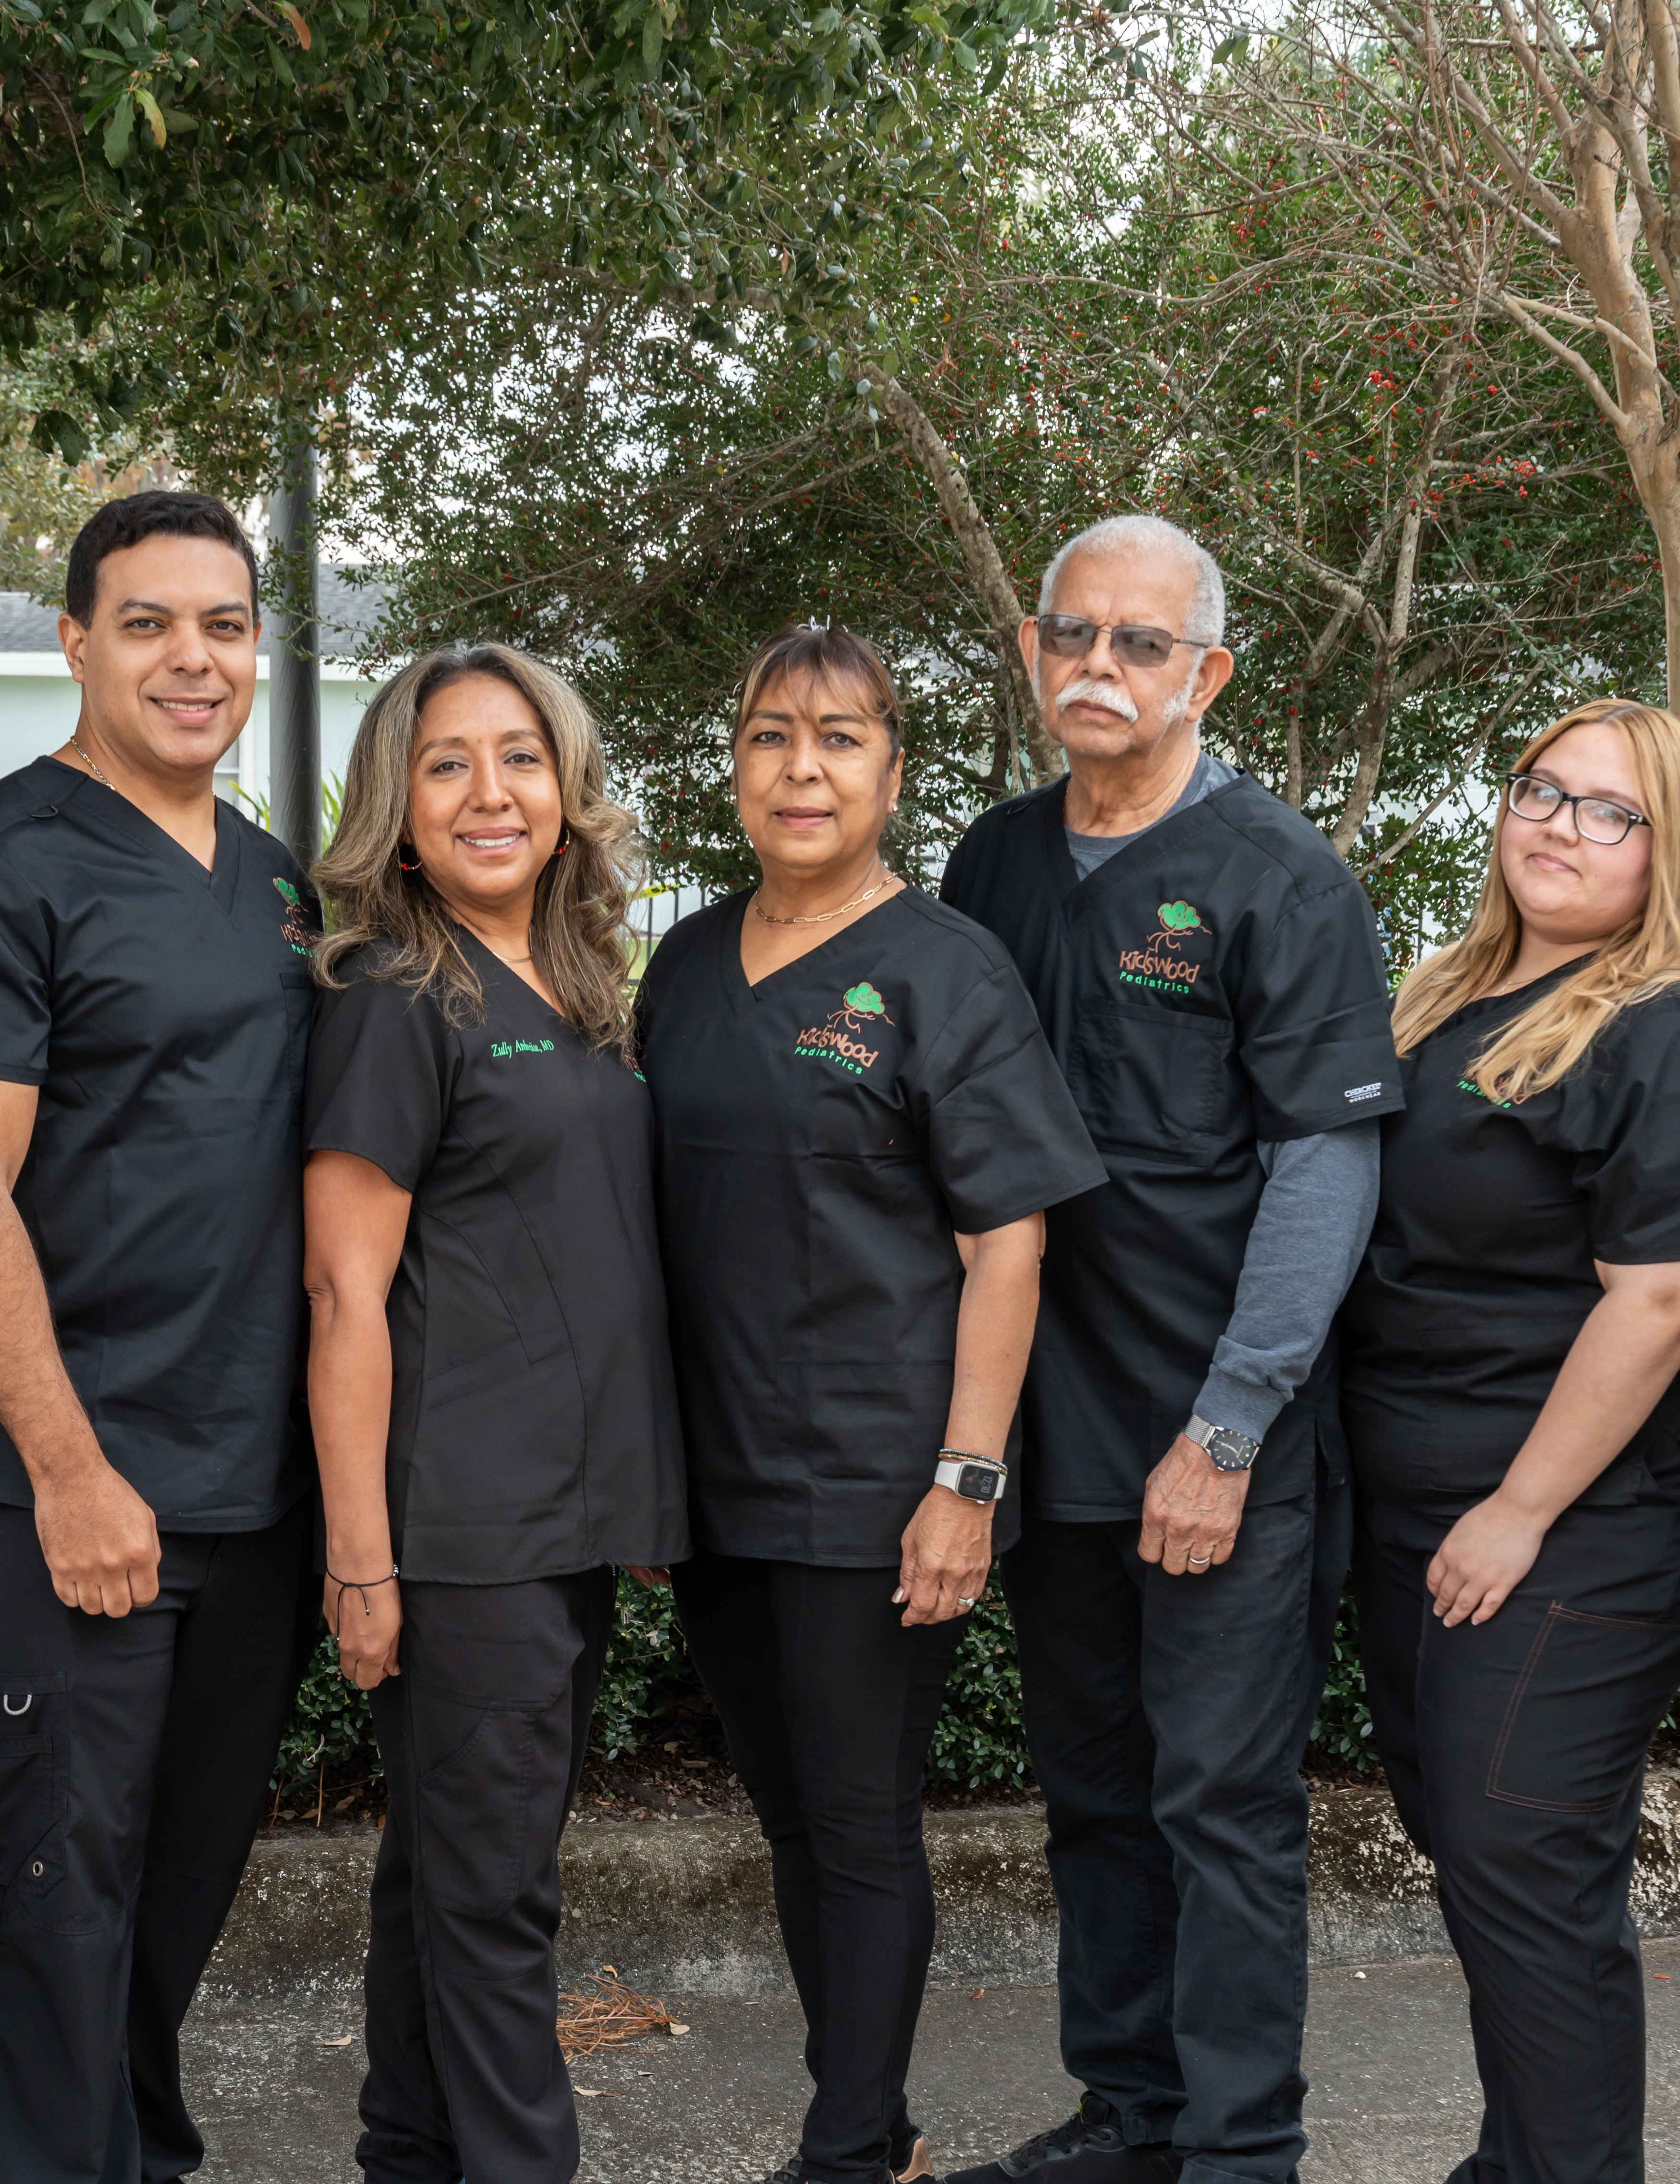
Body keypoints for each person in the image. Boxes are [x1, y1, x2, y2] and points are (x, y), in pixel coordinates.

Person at [937, 514, 1402, 2184]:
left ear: (1208, 673)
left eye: (1142, 645)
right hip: (1047, 1438)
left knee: (1220, 1810)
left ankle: (1239, 2148)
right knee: (1096, 1798)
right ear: (1031, 651)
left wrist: (1225, 1432)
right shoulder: (988, 866)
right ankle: (1129, 2114)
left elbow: (1321, 1169)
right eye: (1074, 634)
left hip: (1212, 1436)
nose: (1101, 669)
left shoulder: (1282, 881)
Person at [0, 491, 324, 2184]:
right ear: (74, 641)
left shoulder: (273, 877)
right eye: (147, 622)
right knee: (64, 1888)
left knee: (184, 1876)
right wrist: (68, 1471)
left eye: (222, 624)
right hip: (66, 1483)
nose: (190, 658)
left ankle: (141, 2150)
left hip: (250, 1485)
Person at [636, 626, 1105, 2184]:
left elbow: (1008, 1244)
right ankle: (874, 2128)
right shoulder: (687, 962)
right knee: (785, 1816)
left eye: (839, 739)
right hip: (716, 1476)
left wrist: (965, 1479)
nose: (801, 768)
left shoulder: (943, 967)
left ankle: (847, 2149)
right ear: (736, 763)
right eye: (772, 735)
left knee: (854, 1817)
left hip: (876, 1477)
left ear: (891, 774)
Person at [1336, 699, 1680, 2184]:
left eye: (1608, 810)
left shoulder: (1678, 1034)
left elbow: (1661, 1300)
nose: (1557, 825)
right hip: (1417, 1507)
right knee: (1476, 1851)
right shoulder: (1445, 996)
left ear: (1673, 850)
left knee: (1524, 1860)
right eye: (1540, 789)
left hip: (1577, 1525)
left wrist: (1518, 1506)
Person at [299, 644, 686, 2184]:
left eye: (518, 755)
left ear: (565, 783)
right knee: (493, 1898)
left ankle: (410, 2159)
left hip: (559, 1523)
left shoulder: (578, 985)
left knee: (442, 1882)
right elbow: (341, 1296)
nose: (488, 791)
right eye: (445, 762)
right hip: (461, 1531)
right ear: (396, 811)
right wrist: (362, 1558)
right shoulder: (396, 996)